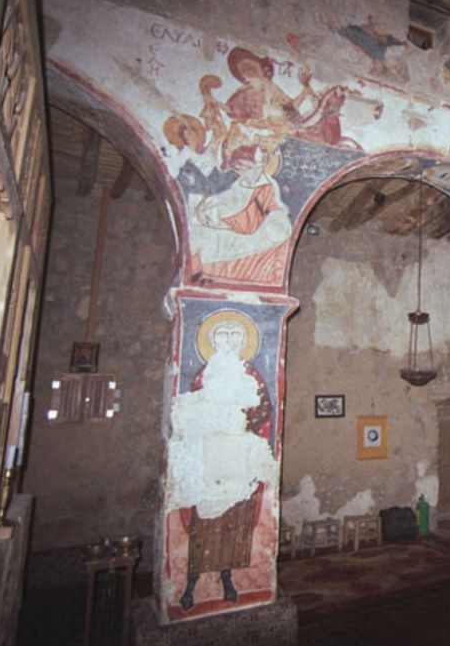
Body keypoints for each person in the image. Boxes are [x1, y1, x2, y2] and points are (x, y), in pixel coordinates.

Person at [168, 311, 275, 613]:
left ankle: (229, 579)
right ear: (212, 340)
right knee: (205, 523)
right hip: (208, 461)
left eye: (235, 336)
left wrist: (243, 420)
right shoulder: (205, 373)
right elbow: (189, 410)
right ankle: (191, 585)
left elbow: (264, 411)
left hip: (240, 462)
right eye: (223, 336)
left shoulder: (251, 374)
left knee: (234, 527)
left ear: (244, 341)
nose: (229, 342)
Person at [189, 144, 293, 285]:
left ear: (261, 167)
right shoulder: (240, 183)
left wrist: (275, 222)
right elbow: (228, 198)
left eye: (252, 168)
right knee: (198, 231)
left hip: (253, 231)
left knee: (212, 238)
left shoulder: (267, 185)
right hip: (232, 223)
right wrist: (212, 202)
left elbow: (274, 209)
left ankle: (203, 274)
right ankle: (194, 274)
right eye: (242, 168)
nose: (248, 172)